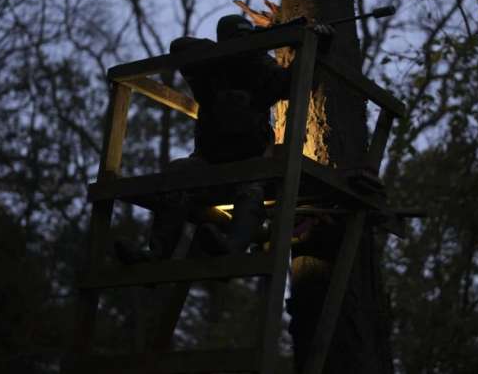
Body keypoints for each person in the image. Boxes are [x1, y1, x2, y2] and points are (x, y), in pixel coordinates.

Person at [114, 15, 333, 264]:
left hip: (249, 167)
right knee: (178, 172)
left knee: (251, 193)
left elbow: (295, 83)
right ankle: (156, 254)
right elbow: (179, 46)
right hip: (206, 164)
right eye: (237, 39)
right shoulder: (210, 67)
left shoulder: (259, 68)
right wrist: (244, 47)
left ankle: (232, 249)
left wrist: (318, 48)